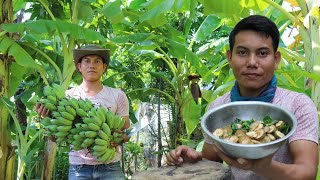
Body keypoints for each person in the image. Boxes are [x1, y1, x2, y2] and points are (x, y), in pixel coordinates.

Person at [166, 15, 319, 179]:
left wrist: (262, 167)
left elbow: (307, 173)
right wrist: (193, 159)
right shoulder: (218, 108)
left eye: (262, 53)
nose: (252, 62)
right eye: (242, 52)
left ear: (276, 60)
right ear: (229, 58)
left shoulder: (297, 105)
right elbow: (213, 162)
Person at [36, 44, 130, 179]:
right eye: (87, 61)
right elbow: (55, 138)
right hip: (79, 169)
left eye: (97, 61)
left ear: (104, 67)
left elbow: (127, 133)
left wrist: (118, 139)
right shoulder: (66, 97)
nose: (92, 65)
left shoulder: (118, 95)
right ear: (79, 66)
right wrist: (49, 117)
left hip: (111, 166)